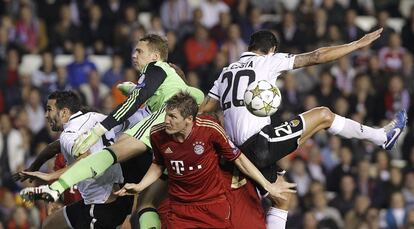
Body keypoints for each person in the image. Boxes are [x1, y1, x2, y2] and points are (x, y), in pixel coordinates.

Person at [198, 29, 408, 228]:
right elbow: (316, 56)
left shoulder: (226, 72)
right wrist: (357, 44)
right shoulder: (268, 60)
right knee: (324, 115)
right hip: (260, 144)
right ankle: (381, 136)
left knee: (283, 198)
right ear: (272, 49)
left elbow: (204, 108)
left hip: (240, 155)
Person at [19, 34, 204, 229]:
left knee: (115, 151)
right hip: (152, 170)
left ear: (155, 56)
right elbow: (196, 96)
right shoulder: (160, 104)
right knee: (145, 206)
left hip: (102, 203)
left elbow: (135, 101)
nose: (134, 55)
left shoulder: (156, 70)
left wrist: (99, 130)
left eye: (139, 51)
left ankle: (55, 188)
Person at [114, 92, 296, 228]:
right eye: (166, 115)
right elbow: (159, 164)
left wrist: (267, 185)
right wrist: (139, 186)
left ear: (189, 120)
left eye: (172, 117)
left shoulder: (210, 130)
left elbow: (239, 159)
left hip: (212, 207)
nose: (166, 120)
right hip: (181, 209)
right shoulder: (157, 134)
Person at [20, 91, 134, 229]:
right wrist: (34, 166)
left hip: (100, 206)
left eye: (49, 109)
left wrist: (50, 176)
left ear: (64, 112)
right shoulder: (98, 118)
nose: (46, 115)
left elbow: (84, 158)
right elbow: (54, 147)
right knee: (50, 224)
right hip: (119, 195)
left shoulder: (68, 134)